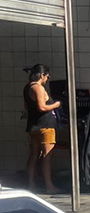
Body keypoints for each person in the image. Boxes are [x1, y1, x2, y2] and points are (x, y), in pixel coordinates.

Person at [24, 64, 61, 194]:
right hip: (45, 126)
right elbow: (42, 107)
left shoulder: (27, 88)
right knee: (47, 156)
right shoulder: (38, 88)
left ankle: (31, 183)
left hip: (33, 125)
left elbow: (27, 108)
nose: (47, 79)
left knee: (34, 154)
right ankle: (49, 186)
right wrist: (56, 104)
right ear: (42, 75)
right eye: (47, 76)